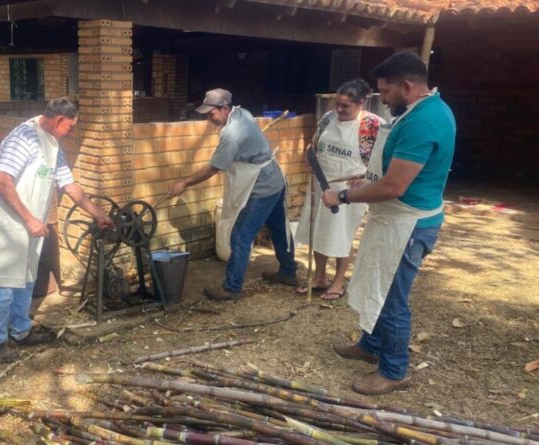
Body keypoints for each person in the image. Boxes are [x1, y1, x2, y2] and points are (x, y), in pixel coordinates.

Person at [322, 51, 456, 395]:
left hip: (408, 225)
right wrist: (363, 180)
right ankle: (371, 345)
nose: (383, 99)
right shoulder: (417, 110)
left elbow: (396, 185)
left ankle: (394, 370)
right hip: (393, 218)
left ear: (408, 86)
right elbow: (389, 170)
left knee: (392, 297)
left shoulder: (423, 121)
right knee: (376, 285)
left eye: (386, 92)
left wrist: (343, 197)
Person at [0, 97, 113, 363]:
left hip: (32, 225)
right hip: (7, 222)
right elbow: (2, 181)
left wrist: (98, 213)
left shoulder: (53, 146)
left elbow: (70, 186)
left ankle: (20, 331)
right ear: (58, 121)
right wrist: (30, 219)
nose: (72, 132)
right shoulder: (24, 138)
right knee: (4, 283)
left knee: (26, 278)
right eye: (71, 126)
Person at [169, 88, 298, 301]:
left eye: (212, 114)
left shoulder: (231, 135)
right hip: (274, 178)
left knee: (240, 235)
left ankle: (232, 287)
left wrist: (184, 183)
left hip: (262, 186)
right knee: (278, 228)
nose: (209, 119)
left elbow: (213, 167)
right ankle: (288, 271)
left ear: (225, 108)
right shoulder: (242, 113)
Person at [294, 79, 386, 301]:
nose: (339, 109)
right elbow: (315, 145)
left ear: (361, 103)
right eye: (337, 104)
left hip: (351, 189)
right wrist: (311, 156)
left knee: (341, 233)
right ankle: (319, 277)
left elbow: (385, 160)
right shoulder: (328, 119)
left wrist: (367, 177)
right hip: (322, 182)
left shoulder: (374, 125)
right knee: (318, 230)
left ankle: (338, 282)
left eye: (346, 106)